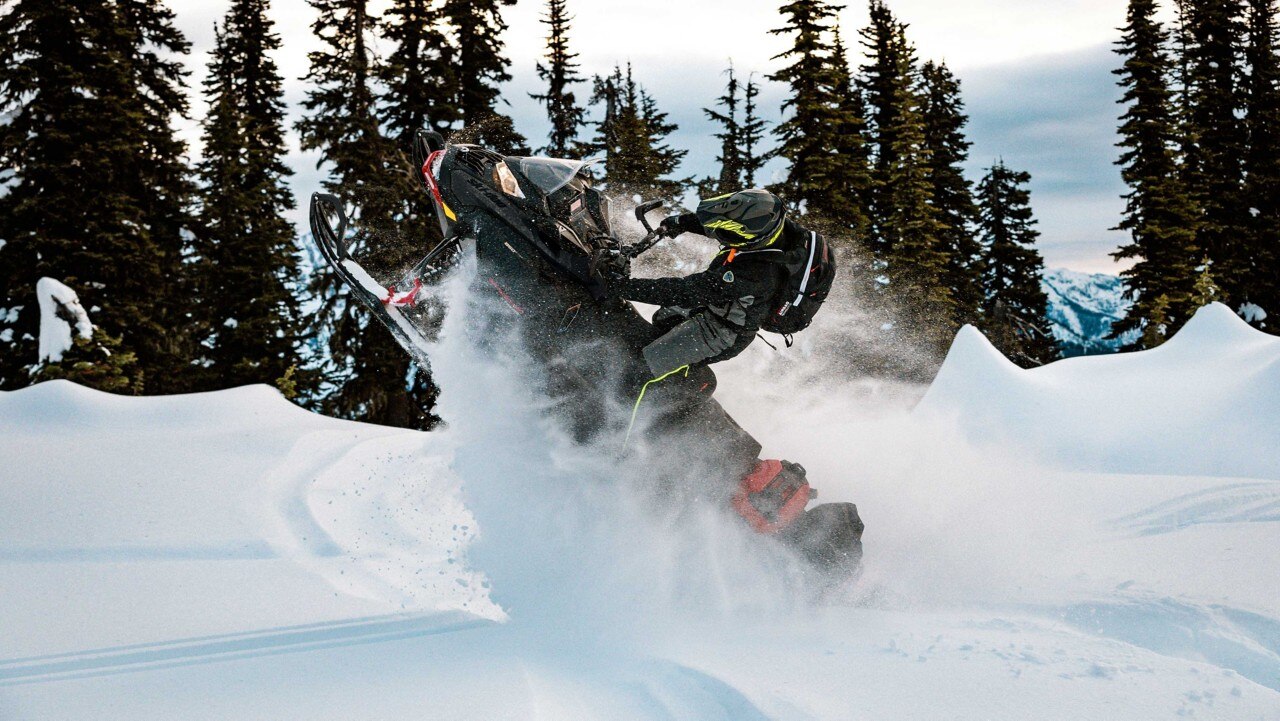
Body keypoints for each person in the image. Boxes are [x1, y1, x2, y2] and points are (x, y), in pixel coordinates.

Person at [608, 188, 811, 380]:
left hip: (722, 332)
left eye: (731, 233)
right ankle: (672, 362)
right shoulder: (767, 224)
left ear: (748, 239)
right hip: (715, 307)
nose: (723, 235)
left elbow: (687, 291)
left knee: (642, 368)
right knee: (664, 318)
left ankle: (626, 407)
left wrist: (623, 286)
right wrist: (681, 222)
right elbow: (725, 220)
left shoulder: (757, 273)